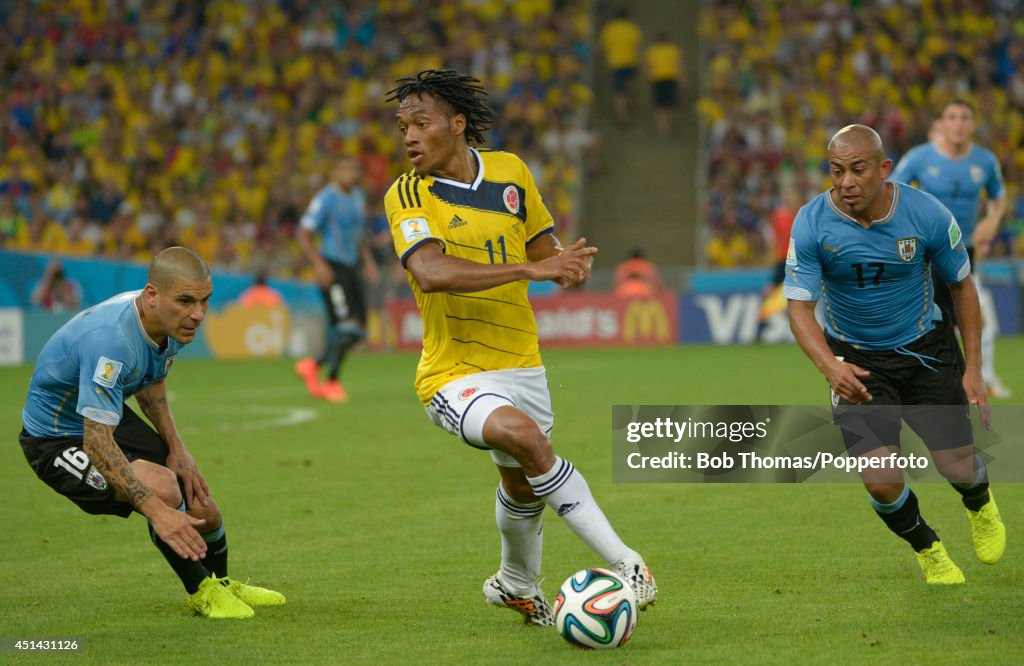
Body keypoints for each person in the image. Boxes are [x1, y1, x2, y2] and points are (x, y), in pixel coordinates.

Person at [383, 69, 657, 626]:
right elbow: (431, 271)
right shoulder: (407, 194)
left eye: (420, 123)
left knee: (523, 483)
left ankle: (514, 582)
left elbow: (541, 243)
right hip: (453, 370)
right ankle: (627, 563)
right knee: (524, 438)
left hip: (522, 362)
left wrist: (564, 261)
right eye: (402, 126)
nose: (408, 136)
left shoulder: (510, 173)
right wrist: (533, 268)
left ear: (457, 125)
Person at [784, 125, 1005, 585]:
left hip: (927, 352)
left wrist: (975, 369)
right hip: (857, 362)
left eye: (857, 170)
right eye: (836, 170)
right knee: (882, 479)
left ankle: (979, 504)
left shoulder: (925, 214)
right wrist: (830, 366)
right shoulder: (811, 222)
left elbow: (962, 287)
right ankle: (928, 548)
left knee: (957, 466)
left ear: (884, 170)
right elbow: (799, 307)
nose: (845, 182)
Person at [19, 247, 285, 618]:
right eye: (186, 301)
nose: (198, 314)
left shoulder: (168, 323)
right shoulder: (110, 342)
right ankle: (201, 591)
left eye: (205, 301)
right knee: (161, 490)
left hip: (97, 420)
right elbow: (96, 442)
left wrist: (179, 449)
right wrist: (157, 513)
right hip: (55, 438)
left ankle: (223, 583)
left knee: (198, 500)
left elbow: (151, 382)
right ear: (152, 295)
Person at [890, 99, 1010, 398]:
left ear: (972, 124)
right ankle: (918, 381)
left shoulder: (984, 161)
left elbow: (998, 197)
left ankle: (981, 378)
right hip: (926, 254)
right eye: (952, 117)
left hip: (965, 252)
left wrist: (992, 220)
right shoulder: (919, 158)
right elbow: (891, 192)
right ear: (941, 124)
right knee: (931, 321)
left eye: (964, 117)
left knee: (975, 318)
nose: (958, 123)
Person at [293, 157, 377, 402]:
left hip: (351, 268)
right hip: (332, 266)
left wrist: (368, 261)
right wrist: (319, 265)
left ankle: (313, 365)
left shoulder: (358, 197)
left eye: (354, 170)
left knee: (360, 330)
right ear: (336, 173)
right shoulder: (325, 198)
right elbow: (304, 233)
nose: (352, 175)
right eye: (347, 169)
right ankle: (331, 382)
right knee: (345, 325)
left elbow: (359, 234)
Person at [598, 9, 643, 128]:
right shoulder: (632, 28)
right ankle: (629, 104)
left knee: (619, 92)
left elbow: (603, 48)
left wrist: (603, 60)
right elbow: (637, 47)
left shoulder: (609, 29)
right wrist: (639, 63)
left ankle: (622, 116)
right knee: (630, 85)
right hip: (630, 62)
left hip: (615, 63)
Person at [644, 32, 684, 137]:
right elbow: (679, 66)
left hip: (657, 80)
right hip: (670, 79)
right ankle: (668, 126)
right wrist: (681, 82)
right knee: (670, 106)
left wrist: (648, 82)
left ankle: (663, 130)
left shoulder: (652, 51)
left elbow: (648, 67)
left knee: (659, 108)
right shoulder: (673, 50)